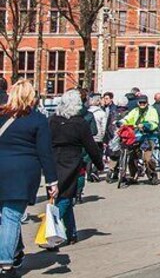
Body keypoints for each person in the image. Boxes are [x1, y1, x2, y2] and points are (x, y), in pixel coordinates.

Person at [0, 80, 59, 275]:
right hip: (22, 174)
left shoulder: (1, 115)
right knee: (11, 217)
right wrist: (52, 181)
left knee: (5, 217)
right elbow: (45, 153)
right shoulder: (37, 119)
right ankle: (6, 263)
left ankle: (15, 253)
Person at [49, 90, 105, 247]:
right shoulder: (79, 123)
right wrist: (99, 164)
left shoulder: (52, 120)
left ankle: (71, 233)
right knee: (66, 197)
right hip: (72, 162)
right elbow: (91, 146)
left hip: (54, 161)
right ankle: (51, 229)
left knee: (62, 195)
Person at [120, 94, 160, 178]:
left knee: (147, 159)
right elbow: (128, 118)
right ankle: (133, 175)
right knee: (131, 156)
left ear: (147, 102)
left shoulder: (152, 110)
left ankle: (152, 174)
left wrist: (146, 125)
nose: (142, 104)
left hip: (149, 136)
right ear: (138, 103)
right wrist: (121, 122)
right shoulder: (135, 110)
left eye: (144, 102)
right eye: (140, 102)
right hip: (137, 136)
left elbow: (154, 122)